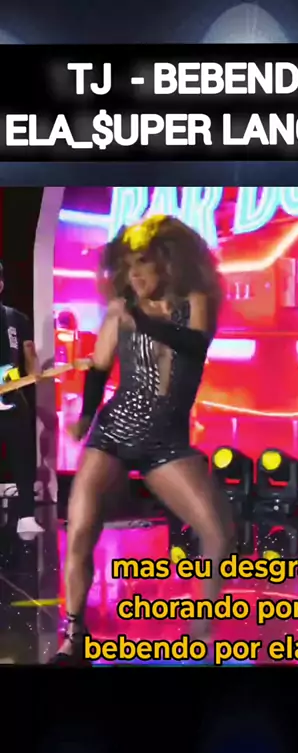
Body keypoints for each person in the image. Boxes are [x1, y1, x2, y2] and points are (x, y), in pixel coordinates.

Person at [50, 215, 234, 664]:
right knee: (81, 529)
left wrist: (139, 319)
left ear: (167, 264)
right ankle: (73, 636)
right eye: (128, 267)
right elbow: (99, 368)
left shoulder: (194, 302)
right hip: (114, 432)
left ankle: (201, 635)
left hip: (166, 442)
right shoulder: (122, 310)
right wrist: (86, 416)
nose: (133, 275)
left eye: (143, 265)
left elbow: (194, 346)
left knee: (219, 533)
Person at [0, 262, 44, 536]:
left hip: (12, 397)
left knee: (23, 455)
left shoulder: (15, 319)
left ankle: (26, 515)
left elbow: (29, 354)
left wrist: (35, 372)